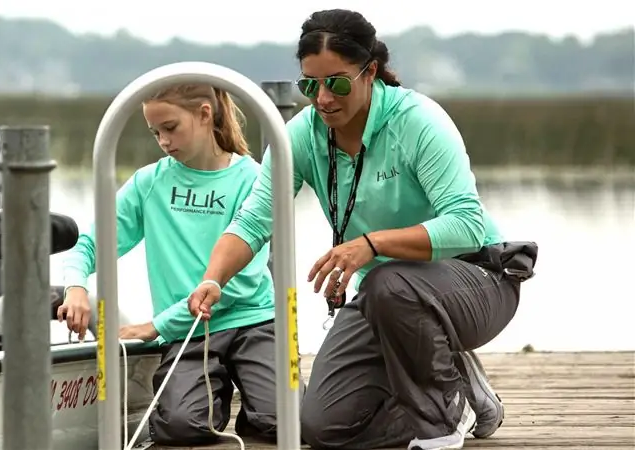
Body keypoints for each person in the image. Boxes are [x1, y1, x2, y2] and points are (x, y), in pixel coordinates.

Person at [187, 8, 538, 450]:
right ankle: (463, 396)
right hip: (384, 297)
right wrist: (213, 278)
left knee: (392, 282)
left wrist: (372, 244)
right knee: (320, 428)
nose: (323, 99)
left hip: (478, 282)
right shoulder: (301, 135)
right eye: (309, 85)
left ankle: (439, 425)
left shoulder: (418, 121)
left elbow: (467, 225)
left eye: (335, 83)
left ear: (369, 71)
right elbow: (254, 220)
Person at [58, 83, 292, 446]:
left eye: (170, 128)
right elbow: (88, 244)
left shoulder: (251, 179)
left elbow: (238, 286)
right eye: (155, 133)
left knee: (287, 421)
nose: (163, 141)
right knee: (181, 426)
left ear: (204, 113)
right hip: (189, 333)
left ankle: (258, 408)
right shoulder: (150, 183)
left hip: (252, 323)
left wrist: (155, 325)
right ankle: (208, 401)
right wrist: (75, 286)